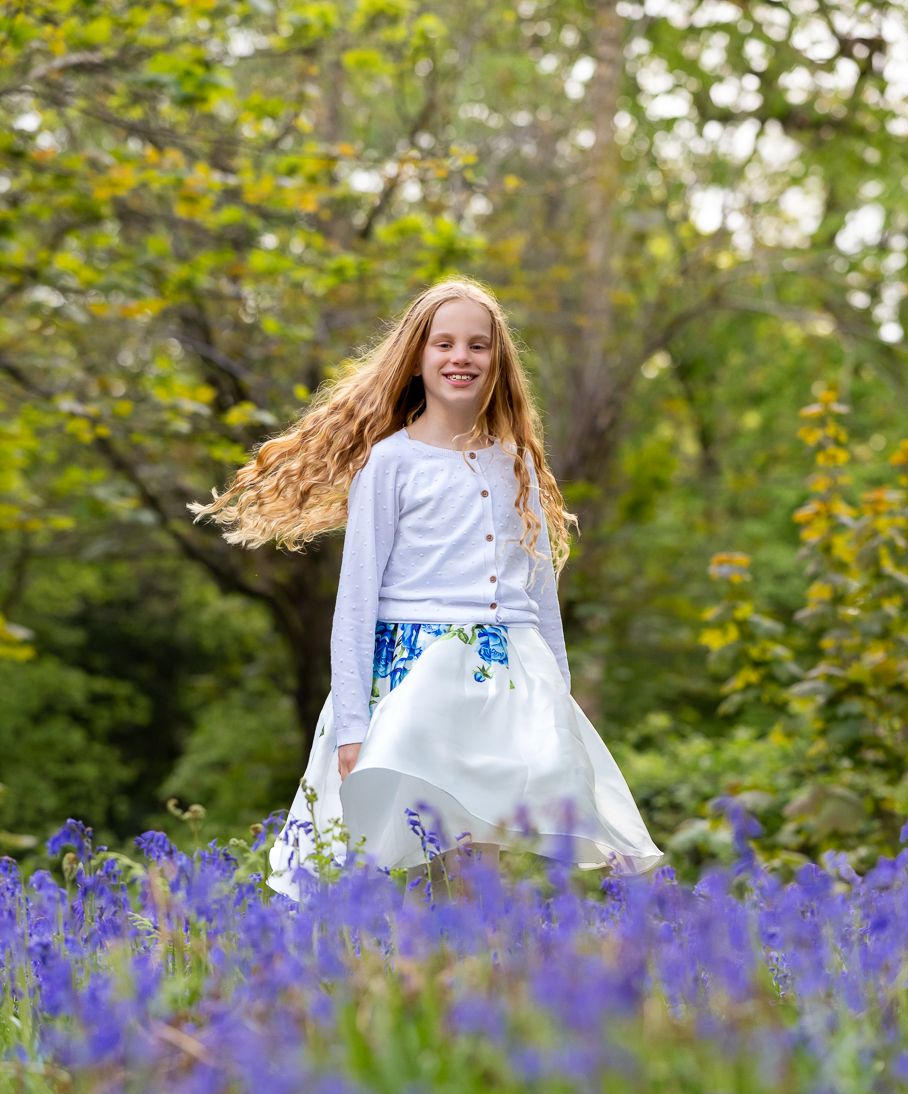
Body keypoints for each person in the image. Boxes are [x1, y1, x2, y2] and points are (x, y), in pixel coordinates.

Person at [192, 277, 661, 897]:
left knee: (485, 861)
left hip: (507, 678)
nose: (459, 357)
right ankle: (410, 978)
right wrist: (355, 724)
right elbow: (355, 604)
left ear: (499, 361)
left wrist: (560, 705)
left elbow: (542, 596)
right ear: (417, 357)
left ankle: (472, 977)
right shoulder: (391, 463)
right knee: (417, 854)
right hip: (414, 678)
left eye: (478, 345)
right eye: (443, 343)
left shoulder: (517, 461)